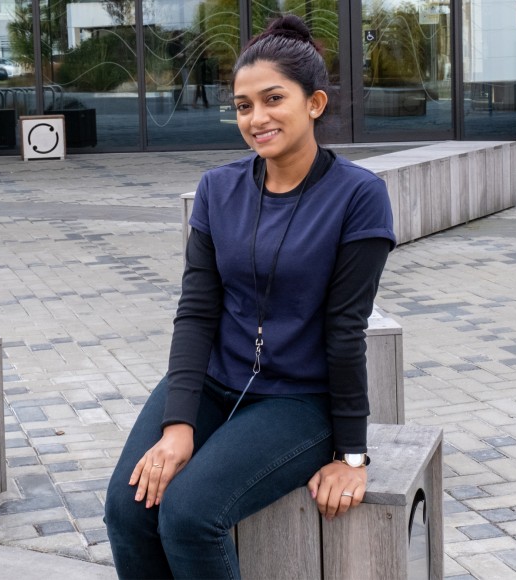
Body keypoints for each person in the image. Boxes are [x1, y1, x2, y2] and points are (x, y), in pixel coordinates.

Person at [104, 14, 396, 579]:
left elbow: (345, 329)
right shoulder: (218, 189)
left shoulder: (360, 196)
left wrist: (352, 456)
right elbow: (196, 312)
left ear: (314, 103)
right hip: (214, 379)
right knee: (129, 506)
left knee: (190, 515)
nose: (256, 118)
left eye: (272, 99)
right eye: (242, 105)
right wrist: (178, 424)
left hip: (299, 399)